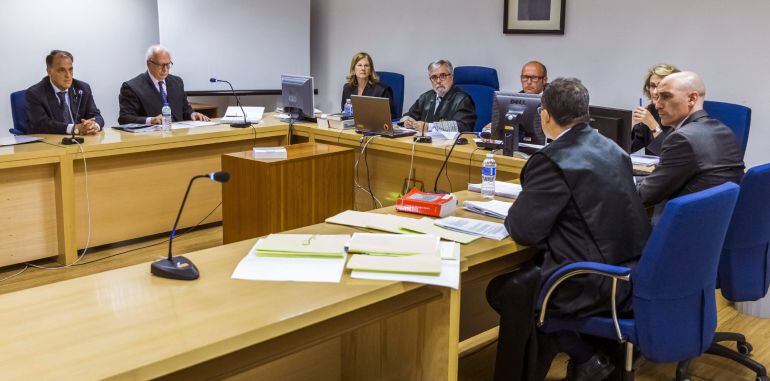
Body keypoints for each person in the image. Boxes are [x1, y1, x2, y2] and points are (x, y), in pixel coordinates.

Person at [486, 78, 650, 381]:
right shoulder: (612, 148)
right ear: (585, 113)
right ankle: (586, 357)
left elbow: (523, 230)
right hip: (631, 272)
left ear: (544, 115)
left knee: (507, 290)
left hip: (590, 281)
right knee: (524, 287)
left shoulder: (551, 160)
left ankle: (583, 355)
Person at [637, 71, 745, 207]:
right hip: (716, 222)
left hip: (681, 225)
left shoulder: (681, 139)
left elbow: (644, 196)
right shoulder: (724, 130)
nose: (657, 105)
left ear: (692, 99)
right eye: (657, 97)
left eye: (665, 96)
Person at [118, 45, 210, 125]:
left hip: (179, 135)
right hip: (152, 139)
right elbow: (125, 118)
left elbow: (185, 109)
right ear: (149, 64)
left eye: (168, 65)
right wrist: (150, 120)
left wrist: (192, 114)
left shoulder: (177, 82)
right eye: (161, 65)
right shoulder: (132, 87)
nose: (165, 69)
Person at [25, 50, 104, 135]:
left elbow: (96, 116)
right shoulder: (35, 93)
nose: (68, 75)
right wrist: (75, 128)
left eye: (70, 69)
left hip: (82, 142)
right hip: (52, 144)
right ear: (49, 71)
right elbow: (42, 124)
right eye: (62, 70)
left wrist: (93, 126)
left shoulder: (82, 88)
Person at [401, 59, 476, 133]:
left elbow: (462, 126)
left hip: (449, 144)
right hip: (424, 143)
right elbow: (408, 115)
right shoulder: (425, 97)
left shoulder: (463, 99)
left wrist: (429, 127)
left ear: (452, 77)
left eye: (443, 76)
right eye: (434, 77)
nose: (438, 81)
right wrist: (407, 121)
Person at [630, 64, 680, 155]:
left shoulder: (682, 113)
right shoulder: (650, 110)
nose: (655, 92)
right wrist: (632, 126)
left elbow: (669, 154)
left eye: (661, 86)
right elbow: (631, 148)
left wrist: (652, 125)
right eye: (652, 86)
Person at [341, 52, 396, 119]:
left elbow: (390, 117)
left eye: (366, 65)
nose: (363, 68)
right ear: (353, 70)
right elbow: (344, 113)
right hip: (351, 127)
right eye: (359, 65)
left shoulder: (382, 90)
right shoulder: (347, 88)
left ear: (370, 70)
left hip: (375, 127)